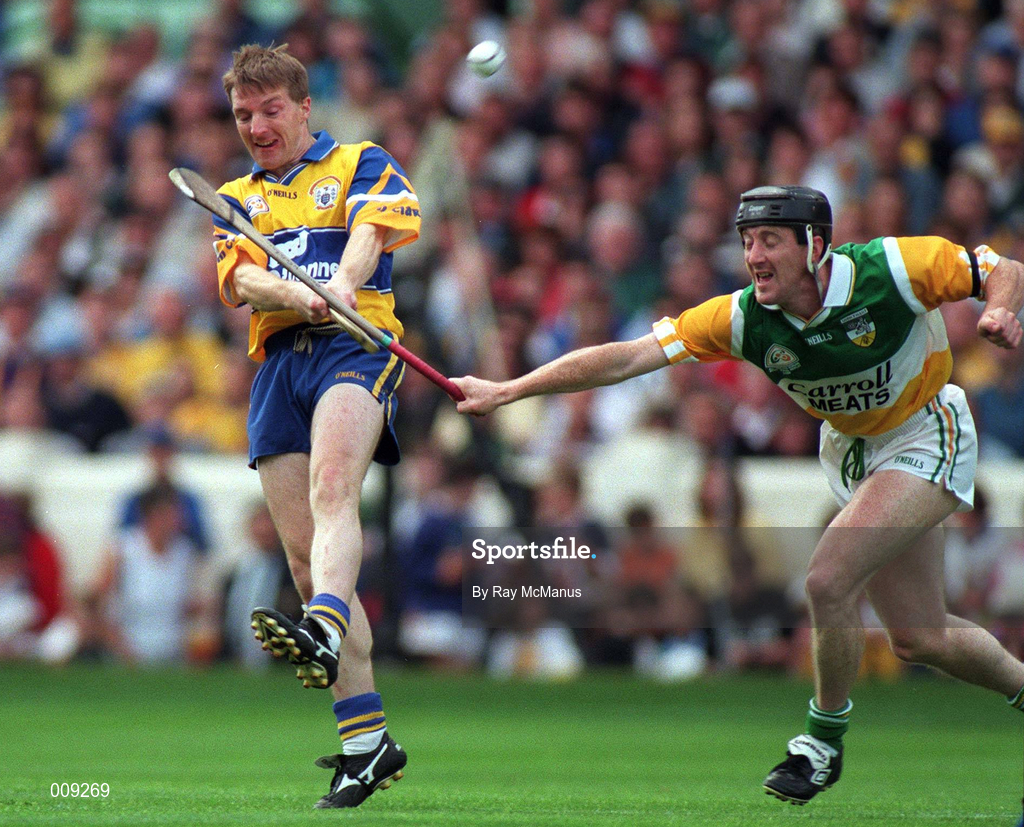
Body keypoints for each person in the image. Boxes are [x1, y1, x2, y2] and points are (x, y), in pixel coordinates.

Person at [454, 185, 1024, 807]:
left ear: (815, 244)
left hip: (927, 429)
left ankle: (821, 742)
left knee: (828, 578)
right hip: (856, 452)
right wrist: (509, 390)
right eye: (748, 241)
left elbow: (1004, 270)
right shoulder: (745, 316)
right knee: (921, 637)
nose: (754, 255)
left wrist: (999, 312)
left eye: (770, 240)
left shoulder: (890, 268)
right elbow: (627, 359)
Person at [211, 44, 419, 809]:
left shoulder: (362, 161)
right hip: (279, 367)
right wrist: (296, 295)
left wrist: (341, 280)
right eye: (243, 115)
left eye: (270, 111)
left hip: (356, 349)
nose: (257, 126)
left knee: (337, 490)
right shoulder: (233, 194)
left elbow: (371, 233)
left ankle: (325, 625)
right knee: (305, 563)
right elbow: (241, 279)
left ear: (303, 106)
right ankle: (368, 745)